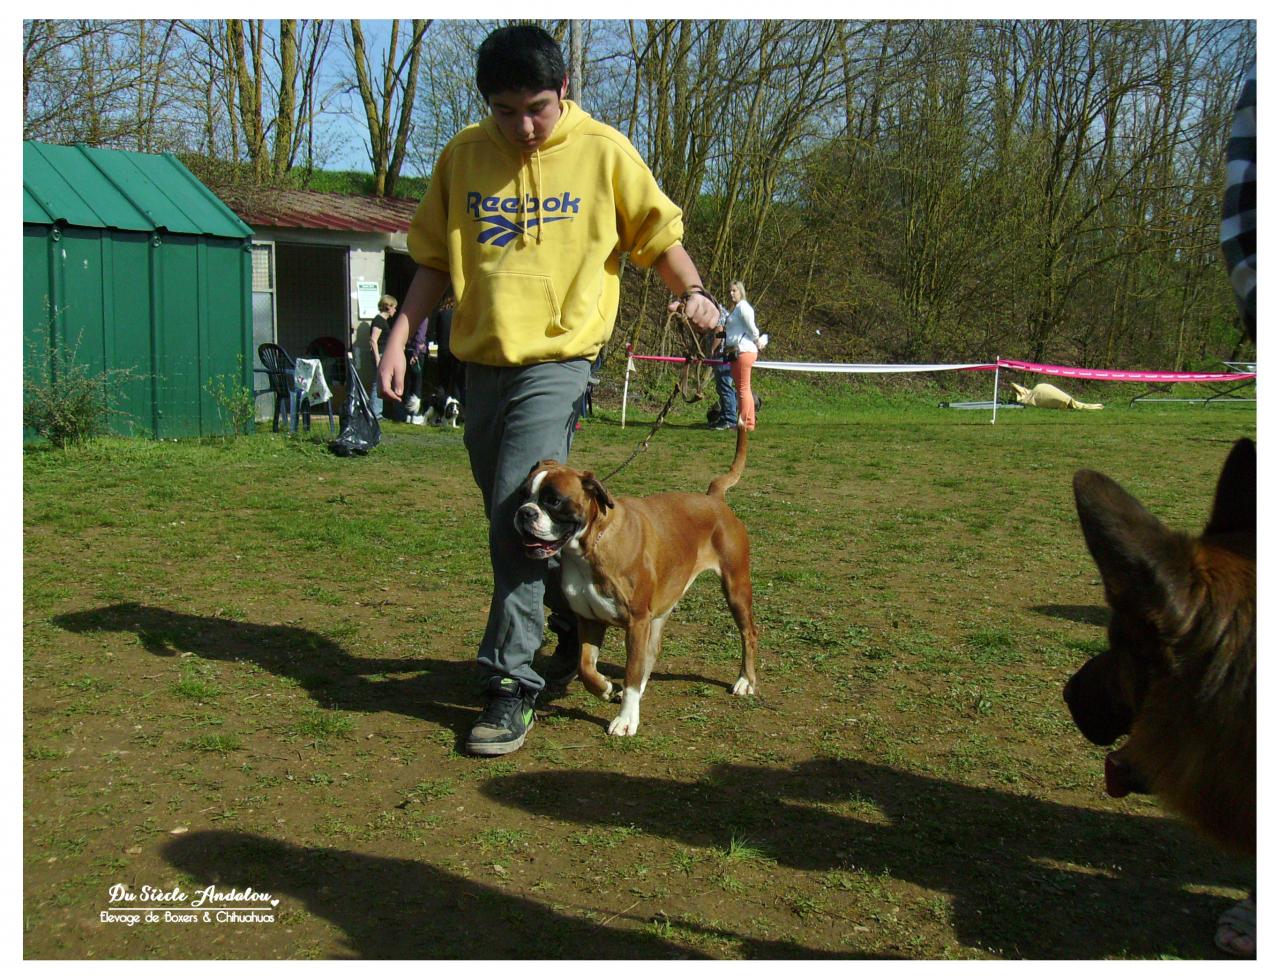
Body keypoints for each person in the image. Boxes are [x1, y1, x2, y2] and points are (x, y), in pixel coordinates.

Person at [376, 24, 720, 756]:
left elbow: (656, 236)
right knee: (527, 524)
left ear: (564, 89)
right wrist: (401, 335)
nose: (523, 126)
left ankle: (510, 685)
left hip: (559, 363)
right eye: (505, 111)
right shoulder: (463, 157)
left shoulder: (604, 152)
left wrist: (692, 293)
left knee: (514, 523)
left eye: (536, 106)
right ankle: (572, 625)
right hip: (482, 363)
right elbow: (433, 261)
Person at [722, 280, 761, 430]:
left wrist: (757, 340)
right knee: (743, 388)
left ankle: (744, 423)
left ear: (741, 291)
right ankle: (749, 422)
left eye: (734, 291)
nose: (731, 294)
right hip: (736, 351)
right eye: (730, 291)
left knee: (743, 389)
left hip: (744, 351)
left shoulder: (743, 308)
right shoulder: (736, 308)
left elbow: (752, 328)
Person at [368, 294, 397, 419]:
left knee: (381, 382)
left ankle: (377, 411)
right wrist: (378, 359)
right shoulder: (379, 320)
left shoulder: (383, 321)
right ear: (388, 307)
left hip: (383, 354)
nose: (395, 310)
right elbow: (373, 340)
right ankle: (375, 412)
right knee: (378, 383)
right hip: (379, 354)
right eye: (394, 307)